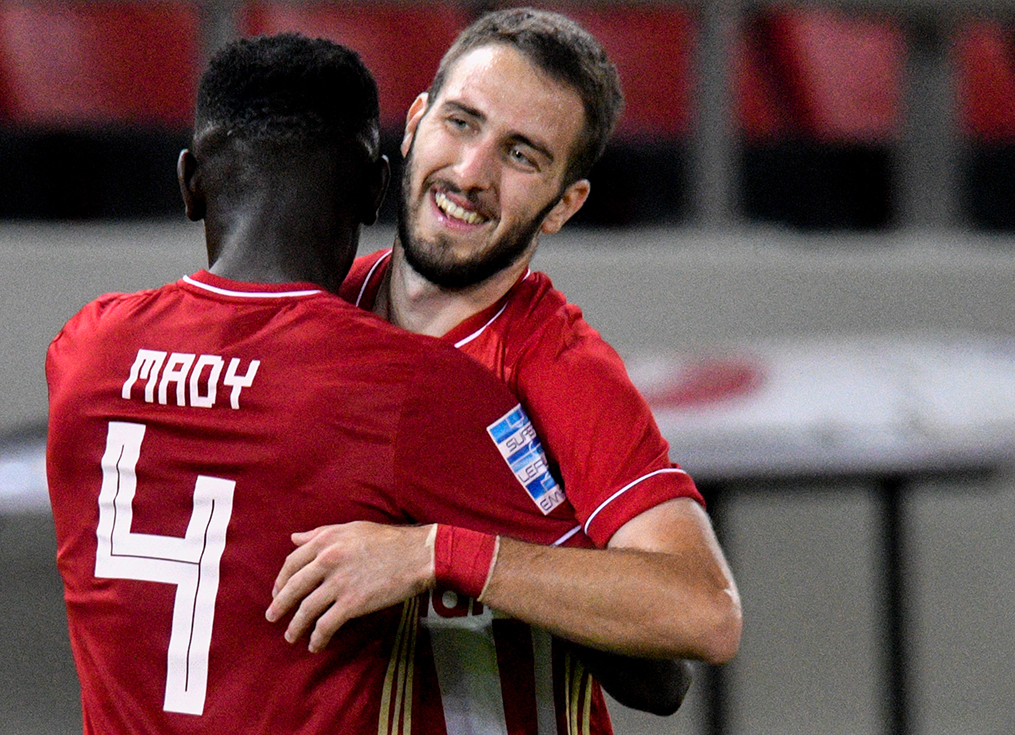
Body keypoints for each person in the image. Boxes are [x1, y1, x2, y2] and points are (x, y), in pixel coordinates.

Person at [45, 33, 614, 734]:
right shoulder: (412, 386)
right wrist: (439, 554)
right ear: (376, 190)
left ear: (190, 183)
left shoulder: (84, 351)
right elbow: (649, 667)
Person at [267, 8, 743, 734]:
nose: (471, 174)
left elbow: (704, 612)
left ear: (563, 206)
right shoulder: (315, 311)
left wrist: (436, 552)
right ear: (415, 123)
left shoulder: (560, 365)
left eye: (522, 155)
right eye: (460, 123)